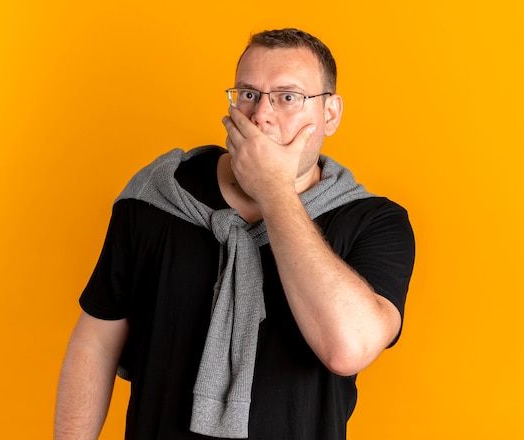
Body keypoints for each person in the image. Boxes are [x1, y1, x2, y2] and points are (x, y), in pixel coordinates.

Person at [54, 28, 415, 440]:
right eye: (248, 93)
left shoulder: (374, 221)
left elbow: (347, 348)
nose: (261, 114)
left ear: (330, 114)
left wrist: (273, 190)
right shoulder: (156, 196)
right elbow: (95, 345)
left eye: (287, 97)